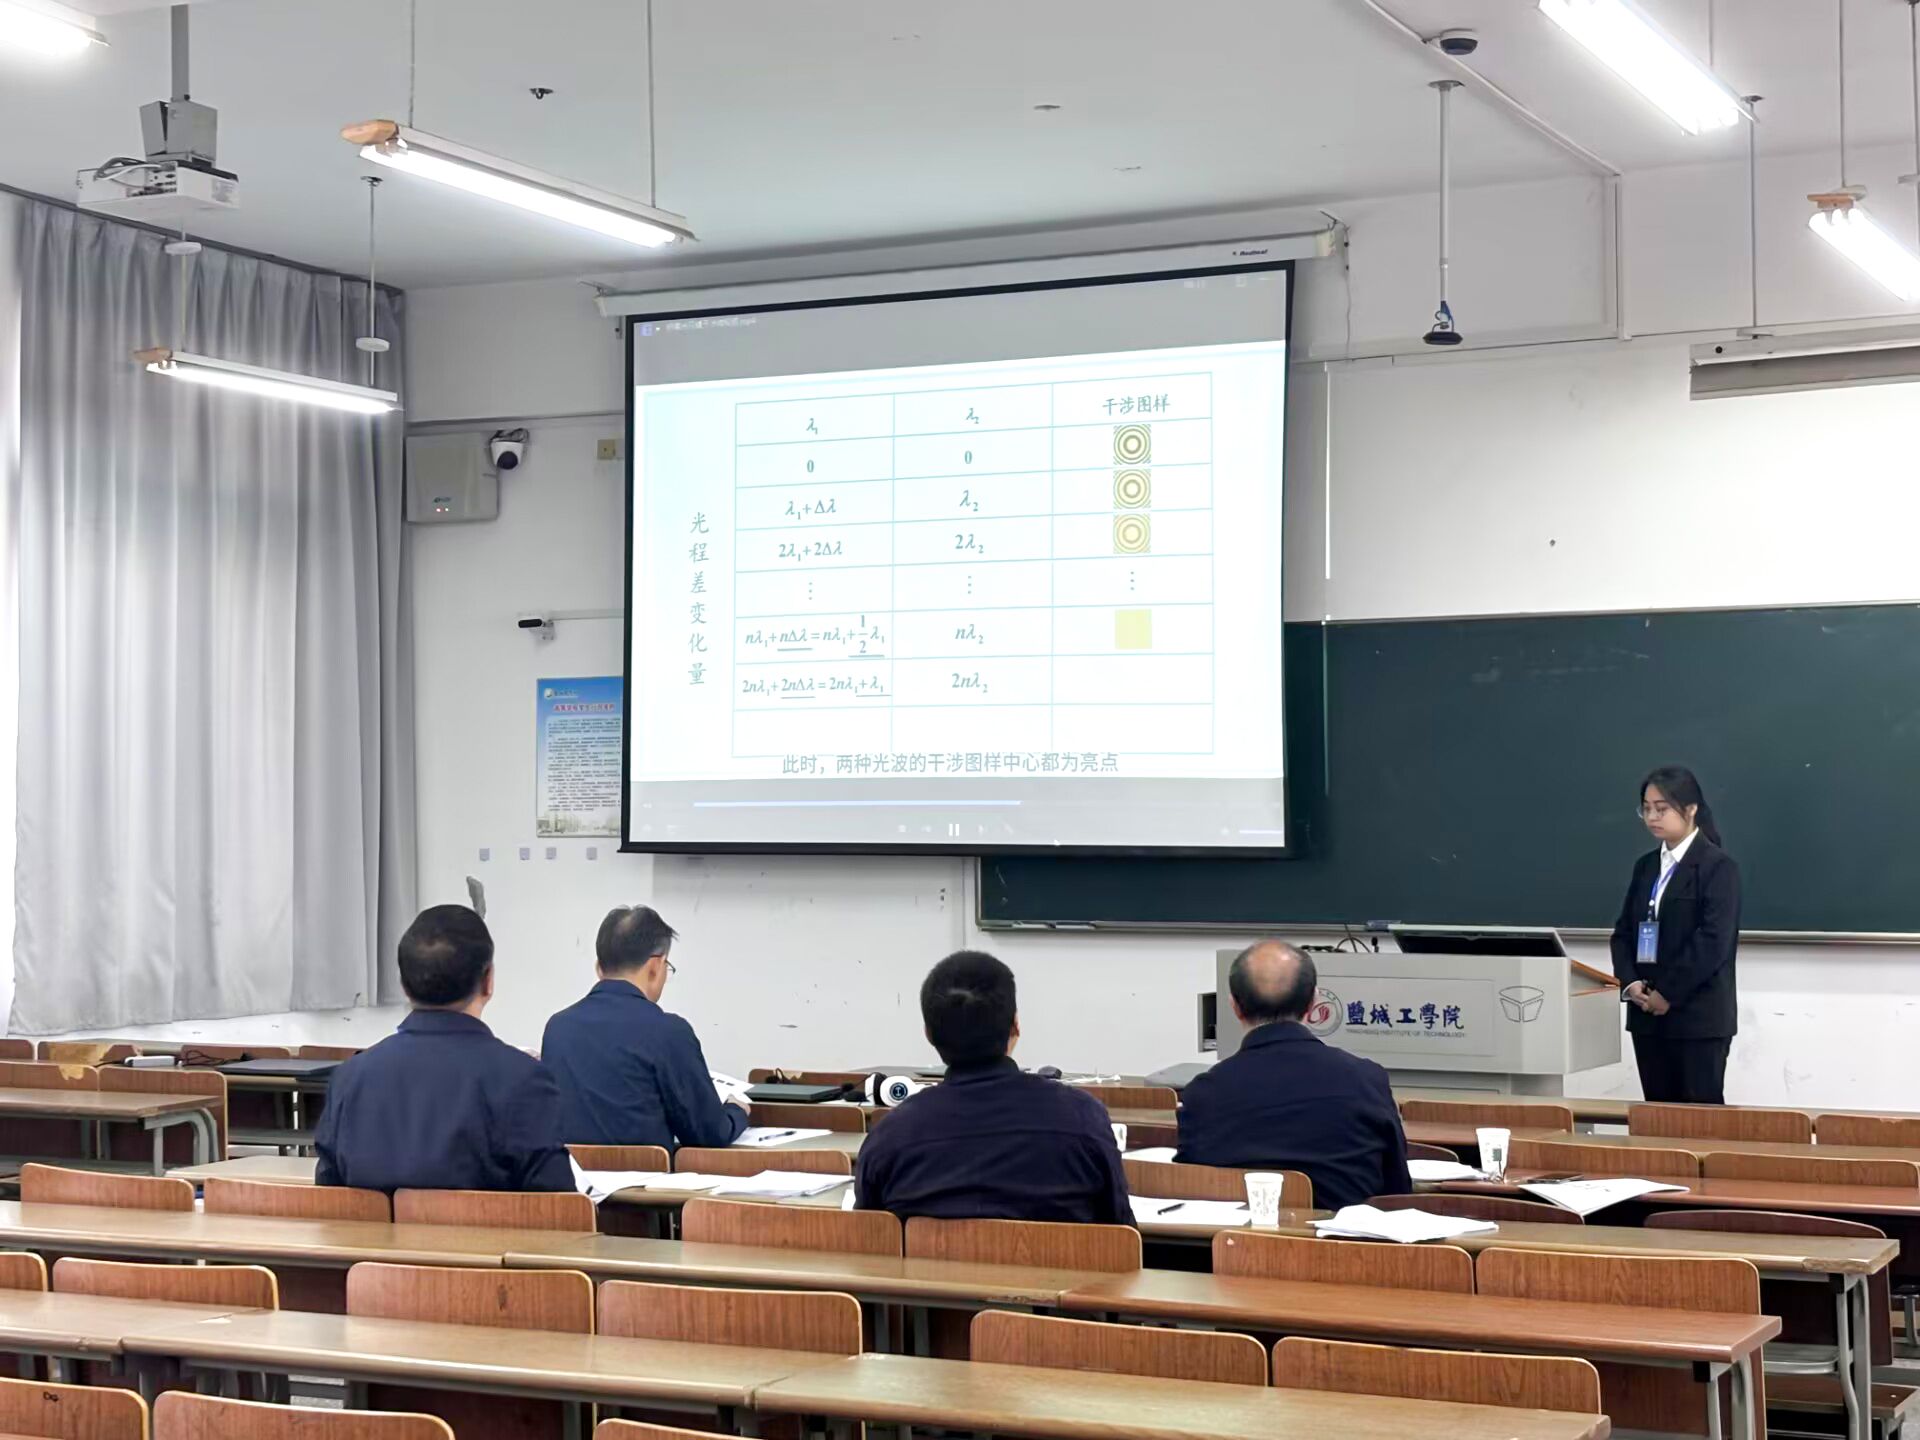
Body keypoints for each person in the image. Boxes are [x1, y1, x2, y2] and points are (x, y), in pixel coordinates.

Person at [855, 950, 1130, 1222]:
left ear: (928, 1034)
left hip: (927, 1255)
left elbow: (867, 1236)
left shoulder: (890, 1135)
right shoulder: (1083, 1119)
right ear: (1015, 1026)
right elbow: (1121, 1233)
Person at [314, 904, 573, 1193]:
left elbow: (331, 1193)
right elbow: (555, 1203)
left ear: (403, 985)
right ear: (488, 981)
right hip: (485, 1226)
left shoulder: (350, 1078)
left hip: (370, 1227)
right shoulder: (524, 1080)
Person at [1175, 941, 1410, 1212]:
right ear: (1313, 1003)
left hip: (1232, 1239)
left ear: (1235, 1006)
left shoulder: (1202, 1093)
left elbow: (1190, 1192)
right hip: (1341, 1238)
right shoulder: (1366, 1080)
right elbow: (1398, 1193)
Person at [540, 905, 748, 1150]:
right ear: (655, 967)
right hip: (646, 1175)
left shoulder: (558, 1028)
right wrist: (736, 1111)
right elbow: (708, 1135)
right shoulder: (669, 1032)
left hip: (571, 1173)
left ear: (599, 968)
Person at [1609, 766, 1741, 1105]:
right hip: (1647, 1017)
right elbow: (1623, 933)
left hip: (1697, 1019)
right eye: (1646, 809)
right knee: (1656, 1119)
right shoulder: (1645, 867)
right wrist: (1630, 982)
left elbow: (1713, 942)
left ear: (1691, 808)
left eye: (1662, 808)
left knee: (1700, 1122)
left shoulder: (1717, 867)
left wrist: (1666, 992)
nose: (1652, 817)